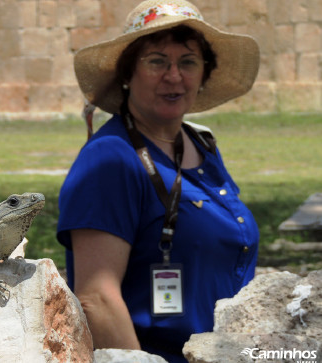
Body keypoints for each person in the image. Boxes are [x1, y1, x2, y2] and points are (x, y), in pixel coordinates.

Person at [56, 1, 260, 362]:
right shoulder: (110, 159)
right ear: (127, 73)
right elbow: (97, 297)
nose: (174, 76)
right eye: (156, 61)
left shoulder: (201, 145)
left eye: (188, 62)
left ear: (204, 74)